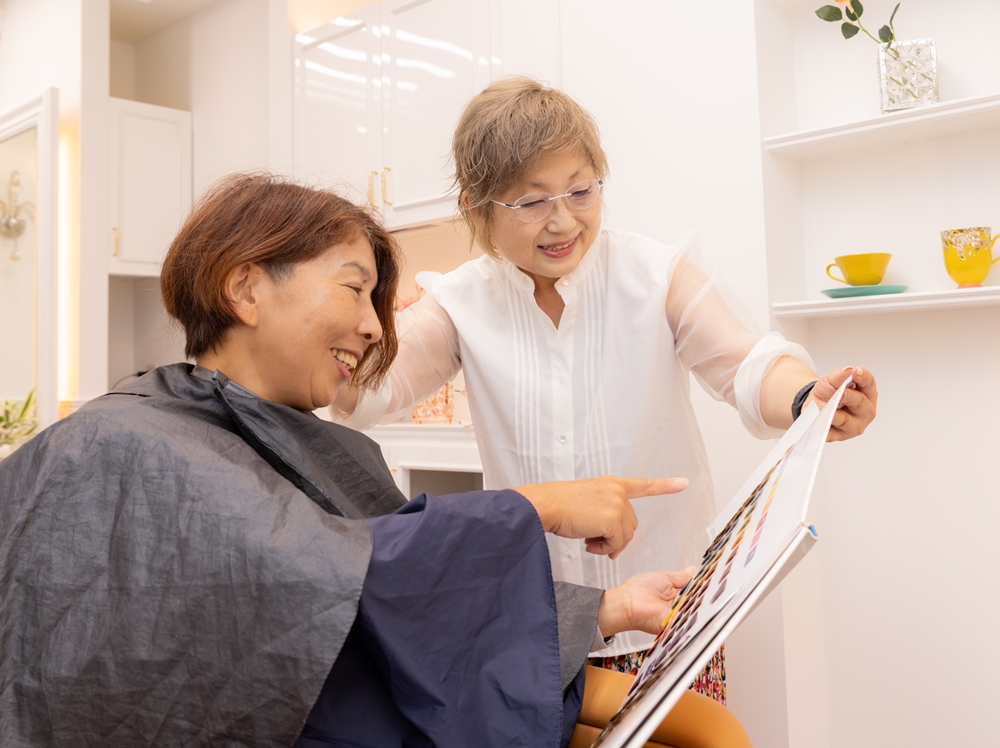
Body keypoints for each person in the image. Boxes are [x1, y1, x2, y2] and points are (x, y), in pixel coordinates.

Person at [0, 174, 697, 747]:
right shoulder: (116, 442)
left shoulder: (323, 445)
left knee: (701, 727)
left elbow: (390, 592)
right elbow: (315, 571)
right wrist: (534, 506)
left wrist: (603, 608)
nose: (373, 325)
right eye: (353, 287)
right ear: (245, 289)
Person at [331, 77, 879, 686]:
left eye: (581, 190)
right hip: (541, 624)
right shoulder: (461, 301)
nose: (563, 220)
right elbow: (364, 392)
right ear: (476, 207)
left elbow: (750, 366)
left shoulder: (654, 272)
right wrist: (345, 314)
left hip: (669, 613)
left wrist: (809, 397)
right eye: (532, 201)